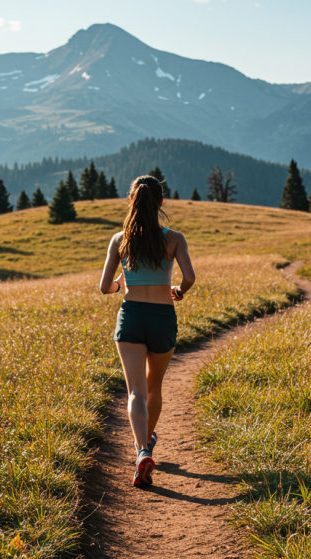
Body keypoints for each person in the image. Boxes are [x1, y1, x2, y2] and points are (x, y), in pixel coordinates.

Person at [99, 175, 195, 486]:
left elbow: (104, 287)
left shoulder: (119, 240)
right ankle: (148, 442)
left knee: (135, 392)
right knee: (155, 388)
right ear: (161, 202)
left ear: (132, 201)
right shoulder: (174, 238)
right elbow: (190, 278)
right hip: (163, 317)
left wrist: (119, 285)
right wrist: (178, 290)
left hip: (131, 316)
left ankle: (141, 451)